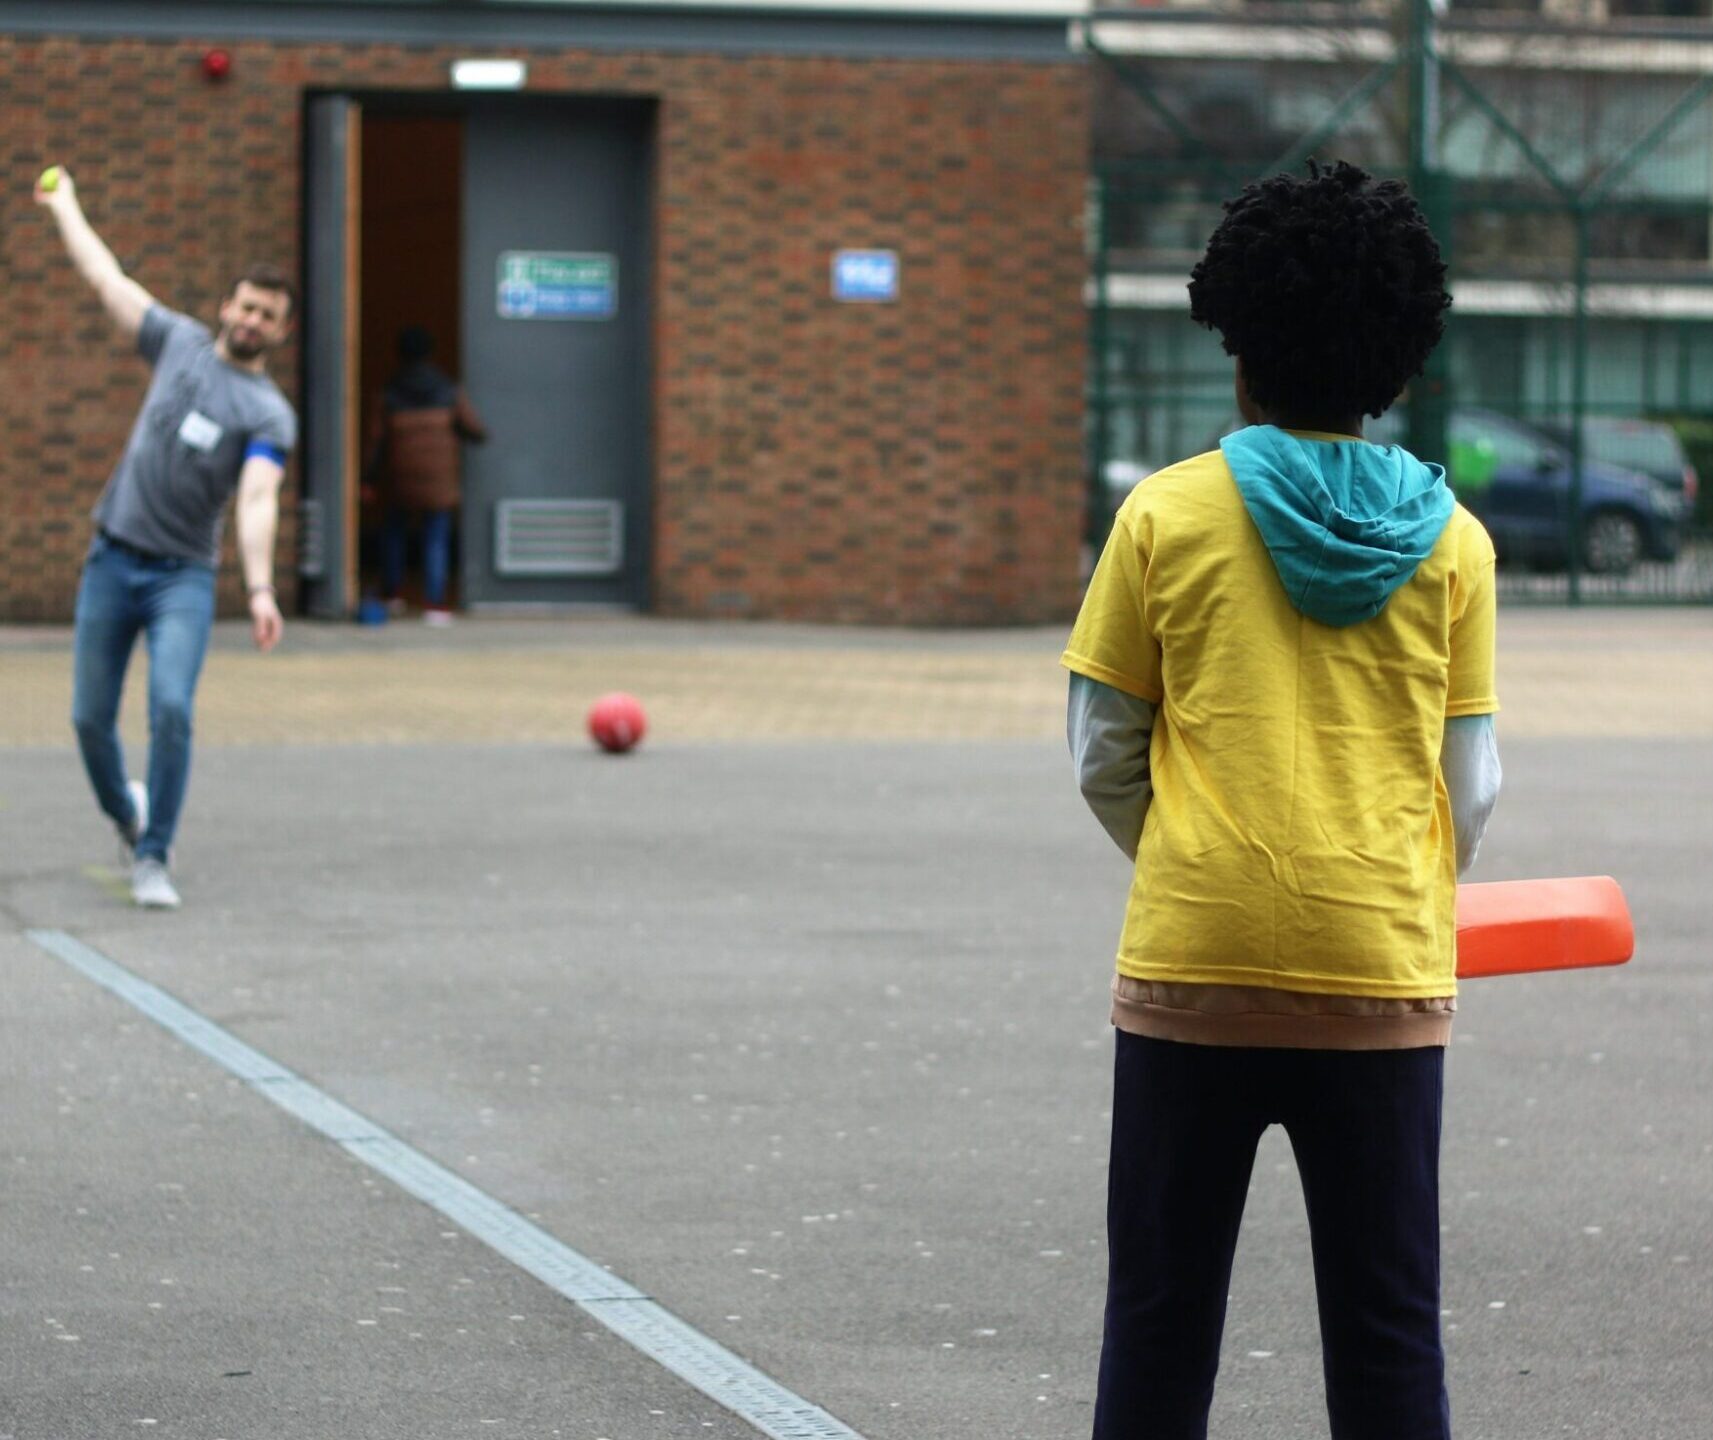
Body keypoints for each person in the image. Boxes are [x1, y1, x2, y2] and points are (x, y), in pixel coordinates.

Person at [1063, 160, 1501, 1440]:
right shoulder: (1455, 543)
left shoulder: (1164, 515)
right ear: (1398, 367)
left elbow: (1101, 749)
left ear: (1237, 347)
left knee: (1158, 1321)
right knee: (1385, 1338)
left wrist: (1195, 848)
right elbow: (1470, 785)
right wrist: (1398, 878)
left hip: (1193, 955)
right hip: (1376, 964)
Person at [36, 166, 297, 911]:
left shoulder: (269, 413)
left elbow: (256, 499)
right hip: (111, 558)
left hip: (181, 577)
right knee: (89, 718)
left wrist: (259, 589)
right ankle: (128, 814)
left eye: (268, 317)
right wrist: (67, 206)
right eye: (246, 307)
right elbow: (104, 277)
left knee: (172, 708)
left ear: (279, 332)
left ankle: (155, 855)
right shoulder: (177, 343)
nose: (252, 321)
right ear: (227, 306)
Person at [366, 325, 486, 625]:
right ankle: (435, 603)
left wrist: (367, 479)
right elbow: (474, 428)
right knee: (436, 537)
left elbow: (375, 441)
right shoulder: (447, 389)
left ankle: (392, 594)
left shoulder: (390, 391)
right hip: (438, 479)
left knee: (394, 533)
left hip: (400, 476)